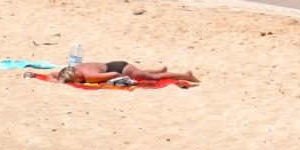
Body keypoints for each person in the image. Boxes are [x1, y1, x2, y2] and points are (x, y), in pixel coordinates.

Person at [53, 59, 198, 85]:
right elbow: (56, 74)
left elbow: (115, 75)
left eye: (76, 80)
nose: (77, 82)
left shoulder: (90, 76)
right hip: (114, 64)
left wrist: (127, 80)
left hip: (119, 69)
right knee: (140, 73)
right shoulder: (76, 67)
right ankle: (160, 69)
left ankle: (186, 75)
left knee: (154, 78)